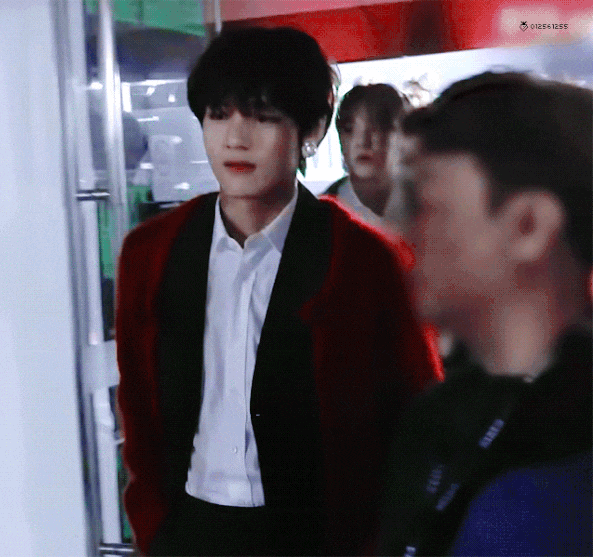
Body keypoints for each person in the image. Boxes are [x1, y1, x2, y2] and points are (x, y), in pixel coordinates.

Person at [115, 27, 442, 556]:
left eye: (263, 117)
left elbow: (418, 418)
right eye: (219, 115)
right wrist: (155, 530)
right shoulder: (151, 253)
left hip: (317, 537)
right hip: (192, 531)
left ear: (312, 129)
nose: (236, 138)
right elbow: (139, 412)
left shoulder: (366, 260)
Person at [379, 72, 592, 556]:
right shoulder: (433, 418)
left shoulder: (568, 461)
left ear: (529, 225)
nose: (405, 231)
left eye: (429, 205)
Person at [323, 83, 406, 225]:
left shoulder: (429, 204)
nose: (362, 141)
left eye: (377, 128)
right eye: (349, 129)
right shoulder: (322, 214)